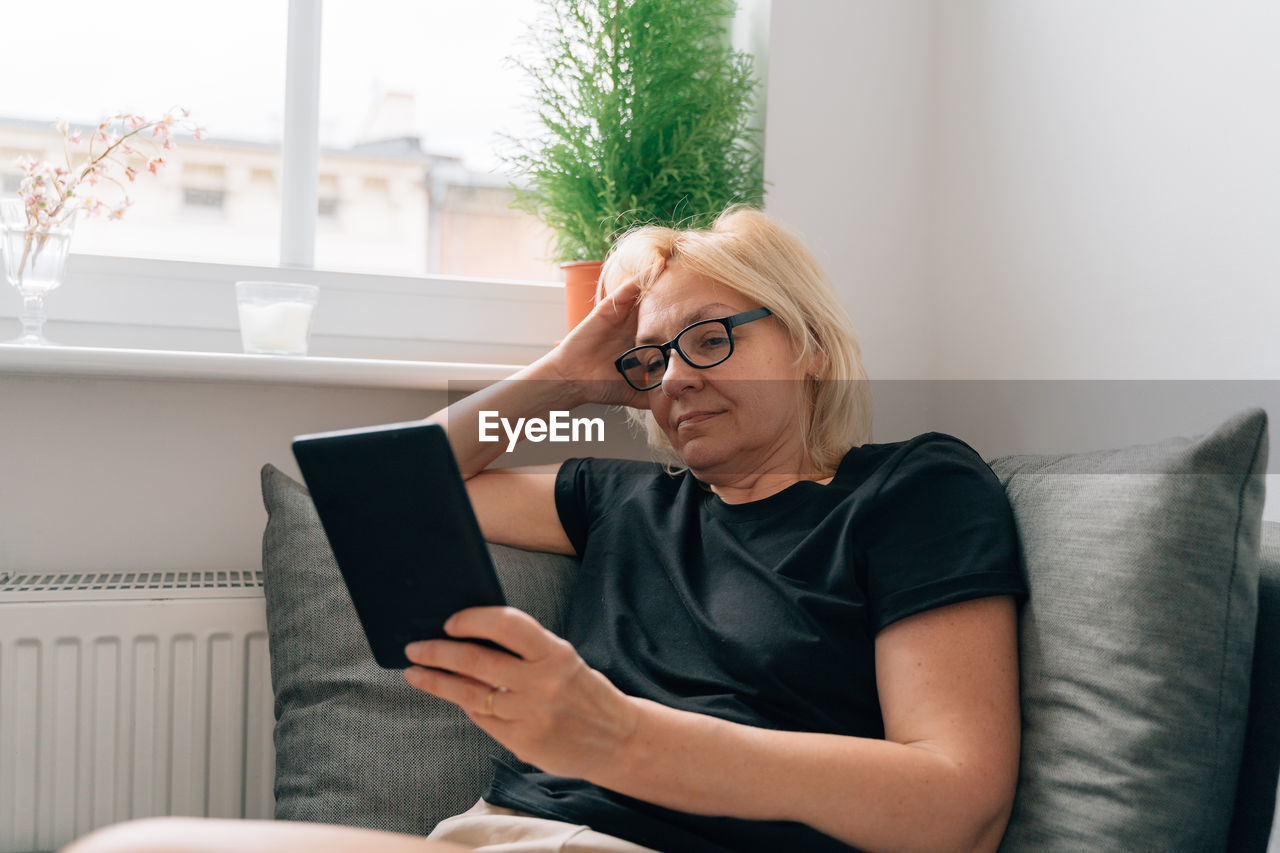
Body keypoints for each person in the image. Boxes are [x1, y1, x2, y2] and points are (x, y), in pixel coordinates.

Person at [62, 206, 1026, 853]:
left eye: (709, 337)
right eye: (650, 359)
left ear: (810, 344)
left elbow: (959, 802)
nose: (677, 377)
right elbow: (382, 494)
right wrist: (563, 376)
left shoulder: (913, 487)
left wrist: (618, 738)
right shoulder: (621, 498)